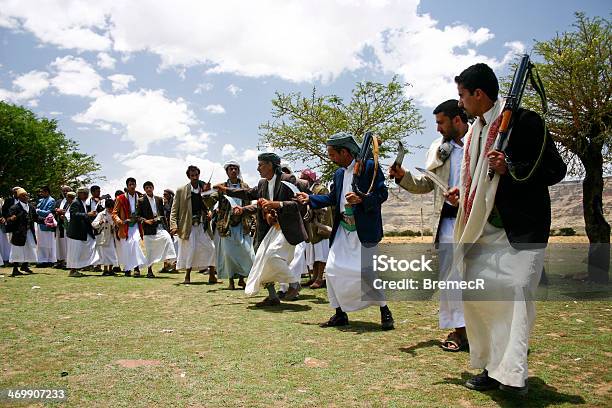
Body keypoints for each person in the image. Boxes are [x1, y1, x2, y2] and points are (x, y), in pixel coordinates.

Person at [451, 63, 566, 395]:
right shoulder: (474, 132)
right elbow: (479, 180)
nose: (460, 103)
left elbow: (554, 169)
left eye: (462, 96)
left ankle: (513, 375)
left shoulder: (525, 122)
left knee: (513, 298)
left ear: (479, 94)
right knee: (480, 299)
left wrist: (511, 167)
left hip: (517, 231)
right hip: (481, 231)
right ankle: (490, 366)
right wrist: (465, 193)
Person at [389, 99, 469, 351]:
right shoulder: (439, 147)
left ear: (457, 120)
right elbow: (426, 183)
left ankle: (484, 331)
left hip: (477, 221)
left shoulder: (479, 142)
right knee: (452, 281)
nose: (437, 129)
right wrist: (403, 176)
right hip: (447, 224)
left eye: (440, 122)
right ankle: (460, 332)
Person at [296, 132, 394, 330]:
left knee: (367, 272)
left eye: (332, 154)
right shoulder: (339, 174)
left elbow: (382, 194)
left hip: (363, 229)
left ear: (344, 152)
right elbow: (334, 198)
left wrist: (362, 199)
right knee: (332, 270)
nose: (330, 158)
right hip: (343, 228)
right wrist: (310, 199)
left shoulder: (368, 167)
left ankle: (385, 311)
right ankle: (340, 313)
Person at [216, 153, 307, 306]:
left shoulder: (287, 180)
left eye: (260, 165)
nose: (258, 168)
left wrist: (276, 205)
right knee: (260, 259)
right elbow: (249, 193)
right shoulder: (263, 183)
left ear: (270, 165)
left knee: (272, 256)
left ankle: (294, 284)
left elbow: (298, 204)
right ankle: (272, 296)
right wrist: (227, 191)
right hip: (269, 228)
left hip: (286, 228)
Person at [209, 161, 256, 290]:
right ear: (227, 172)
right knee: (228, 254)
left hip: (243, 223)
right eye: (231, 169)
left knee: (245, 252)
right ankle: (231, 281)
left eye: (235, 168)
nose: (233, 171)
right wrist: (206, 193)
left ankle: (241, 279)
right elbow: (211, 200)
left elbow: (250, 203)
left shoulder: (244, 186)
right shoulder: (222, 187)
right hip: (227, 225)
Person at [170, 166, 218, 284]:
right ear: (189, 177)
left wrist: (210, 211)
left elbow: (212, 204)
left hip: (203, 224)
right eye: (192, 175)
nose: (195, 177)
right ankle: (187, 276)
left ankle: (212, 275)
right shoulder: (181, 190)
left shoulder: (205, 187)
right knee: (190, 249)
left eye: (196, 175)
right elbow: (174, 210)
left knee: (211, 248)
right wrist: (174, 226)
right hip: (188, 225)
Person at [300, 169, 332, 289]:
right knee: (314, 254)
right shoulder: (309, 190)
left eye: (303, 177)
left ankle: (320, 278)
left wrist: (321, 225)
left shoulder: (321, 189)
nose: (301, 179)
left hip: (320, 226)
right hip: (311, 226)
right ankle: (313, 277)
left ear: (309, 178)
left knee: (321, 253)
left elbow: (326, 208)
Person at [137, 181, 177, 278]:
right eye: (146, 187)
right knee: (150, 250)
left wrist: (168, 228)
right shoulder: (141, 200)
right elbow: (138, 216)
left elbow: (163, 213)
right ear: (144, 189)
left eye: (150, 187)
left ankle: (171, 261)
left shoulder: (159, 199)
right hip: (148, 229)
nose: (149, 189)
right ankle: (149, 270)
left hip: (160, 226)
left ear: (153, 188)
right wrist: (146, 221)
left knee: (167, 238)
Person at [112, 178, 146, 277]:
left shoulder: (140, 197)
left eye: (133, 184)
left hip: (136, 225)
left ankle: (136, 268)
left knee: (135, 243)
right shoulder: (120, 198)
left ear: (135, 185)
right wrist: (121, 221)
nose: (132, 186)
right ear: (127, 186)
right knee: (126, 247)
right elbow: (114, 213)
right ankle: (127, 269)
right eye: (130, 184)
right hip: (125, 226)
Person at [66, 187, 100, 277]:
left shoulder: (82, 203)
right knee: (75, 252)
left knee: (89, 246)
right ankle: (73, 271)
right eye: (84, 193)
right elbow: (74, 214)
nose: (86, 196)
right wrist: (87, 214)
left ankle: (81, 267)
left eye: (87, 194)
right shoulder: (75, 203)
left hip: (82, 232)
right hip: (76, 233)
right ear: (79, 194)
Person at [6, 188, 38, 276]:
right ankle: (15, 269)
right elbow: (9, 219)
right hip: (18, 233)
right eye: (23, 196)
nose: (25, 197)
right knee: (17, 250)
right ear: (19, 197)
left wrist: (46, 221)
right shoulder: (14, 208)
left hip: (29, 231)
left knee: (30, 247)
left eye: (26, 195)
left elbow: (35, 218)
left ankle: (25, 266)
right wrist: (11, 219)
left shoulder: (31, 207)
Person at [91, 198, 119, 276]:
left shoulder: (115, 214)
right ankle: (105, 270)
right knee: (105, 254)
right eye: (109, 208)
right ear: (106, 207)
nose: (110, 210)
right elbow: (93, 224)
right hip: (104, 237)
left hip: (112, 236)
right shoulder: (101, 214)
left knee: (113, 253)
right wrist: (100, 222)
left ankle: (110, 269)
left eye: (112, 208)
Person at [35, 185, 57, 268]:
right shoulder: (41, 200)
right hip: (40, 223)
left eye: (42, 192)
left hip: (47, 224)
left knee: (48, 243)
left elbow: (48, 212)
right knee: (41, 243)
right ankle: (42, 260)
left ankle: (49, 260)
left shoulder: (51, 200)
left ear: (47, 192)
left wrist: (37, 211)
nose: (41, 193)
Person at [53, 186, 72, 269]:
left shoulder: (72, 201)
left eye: (66, 191)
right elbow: (54, 210)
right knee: (59, 243)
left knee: (66, 243)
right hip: (59, 225)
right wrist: (56, 211)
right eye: (63, 191)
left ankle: (67, 261)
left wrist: (62, 212)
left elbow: (71, 211)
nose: (64, 192)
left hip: (67, 225)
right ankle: (59, 260)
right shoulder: (59, 201)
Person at [161, 188, 178, 273]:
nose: (164, 196)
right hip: (165, 229)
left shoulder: (174, 205)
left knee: (175, 248)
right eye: (163, 194)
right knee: (165, 248)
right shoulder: (163, 205)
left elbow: (173, 215)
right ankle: (166, 266)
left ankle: (174, 267)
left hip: (174, 230)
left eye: (165, 194)